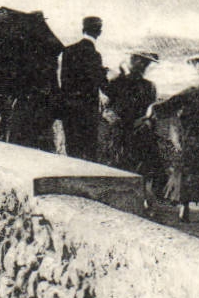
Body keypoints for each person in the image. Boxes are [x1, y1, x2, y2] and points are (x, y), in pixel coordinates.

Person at [154, 56, 199, 222]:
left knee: (188, 171)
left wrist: (153, 108)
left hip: (193, 138)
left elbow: (167, 107)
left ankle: (184, 208)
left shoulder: (192, 92)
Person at [100, 53, 164, 204]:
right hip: (123, 130)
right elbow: (106, 108)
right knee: (124, 164)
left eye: (146, 63)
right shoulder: (117, 82)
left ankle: (142, 199)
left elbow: (151, 110)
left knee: (142, 166)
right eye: (141, 62)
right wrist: (115, 120)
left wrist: (145, 121)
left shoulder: (147, 86)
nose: (143, 66)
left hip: (137, 131)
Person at [59, 16, 106, 161]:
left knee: (72, 149)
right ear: (99, 32)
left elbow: (64, 80)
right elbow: (99, 83)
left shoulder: (68, 51)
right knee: (89, 150)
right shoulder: (95, 55)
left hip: (69, 107)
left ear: (83, 29)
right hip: (88, 110)